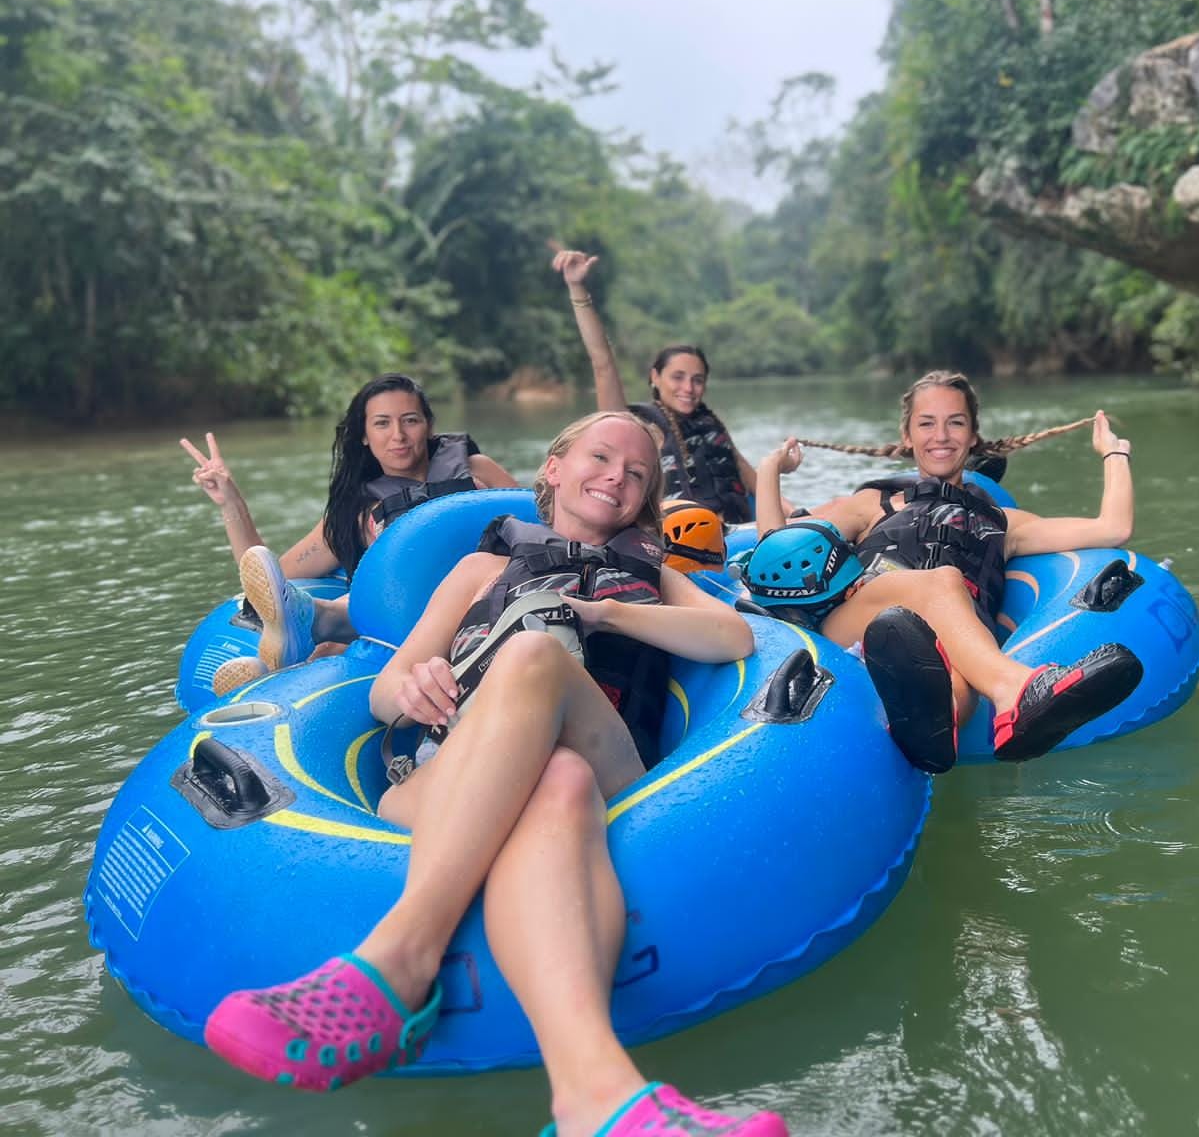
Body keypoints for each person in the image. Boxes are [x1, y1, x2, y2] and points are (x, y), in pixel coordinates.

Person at [202, 412, 785, 1137]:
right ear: (554, 469)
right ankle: (597, 1101)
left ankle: (400, 959)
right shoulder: (481, 570)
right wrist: (414, 687)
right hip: (450, 771)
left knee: (536, 661)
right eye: (600, 458)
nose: (617, 477)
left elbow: (730, 635)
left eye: (637, 475)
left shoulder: (655, 578)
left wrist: (602, 615)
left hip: (614, 762)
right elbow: (385, 691)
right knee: (557, 780)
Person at [753, 370, 1144, 774]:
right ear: (907, 436)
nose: (941, 435)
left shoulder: (1006, 523)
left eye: (955, 422)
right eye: (926, 423)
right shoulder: (872, 504)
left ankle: (914, 741)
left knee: (956, 690)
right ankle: (1014, 691)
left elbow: (1112, 528)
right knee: (943, 581)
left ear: (973, 435)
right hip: (859, 621)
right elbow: (776, 552)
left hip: (940, 647)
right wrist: (770, 469)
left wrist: (1114, 453)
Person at [181, 374, 517, 688]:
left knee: (341, 630)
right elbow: (269, 580)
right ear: (364, 437)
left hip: (490, 591)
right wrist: (230, 501)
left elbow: (536, 525)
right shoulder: (356, 514)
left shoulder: (477, 470)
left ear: (428, 426)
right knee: (340, 638)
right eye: (382, 423)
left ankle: (303, 635)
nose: (398, 435)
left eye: (410, 420)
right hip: (405, 620)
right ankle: (276, 677)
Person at [551, 248, 791, 524]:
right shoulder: (637, 426)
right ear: (655, 377)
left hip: (741, 533)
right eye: (677, 377)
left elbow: (755, 482)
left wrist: (795, 513)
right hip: (686, 541)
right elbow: (602, 362)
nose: (688, 388)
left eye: (697, 380)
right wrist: (577, 288)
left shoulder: (710, 425)